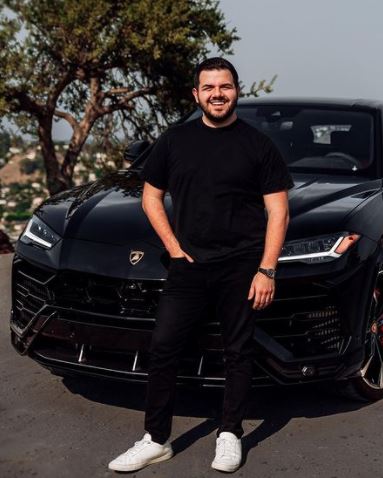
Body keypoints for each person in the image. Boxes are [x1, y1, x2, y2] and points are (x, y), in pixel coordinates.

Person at [108, 57, 294, 473]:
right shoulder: (174, 141)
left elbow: (278, 212)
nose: (217, 94)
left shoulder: (258, 145)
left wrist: (267, 269)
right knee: (163, 348)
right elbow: (150, 197)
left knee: (238, 351)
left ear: (236, 91)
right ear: (196, 94)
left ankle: (230, 433)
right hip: (188, 265)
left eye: (224, 86)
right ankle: (156, 439)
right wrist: (173, 247)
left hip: (242, 267)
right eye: (208, 88)